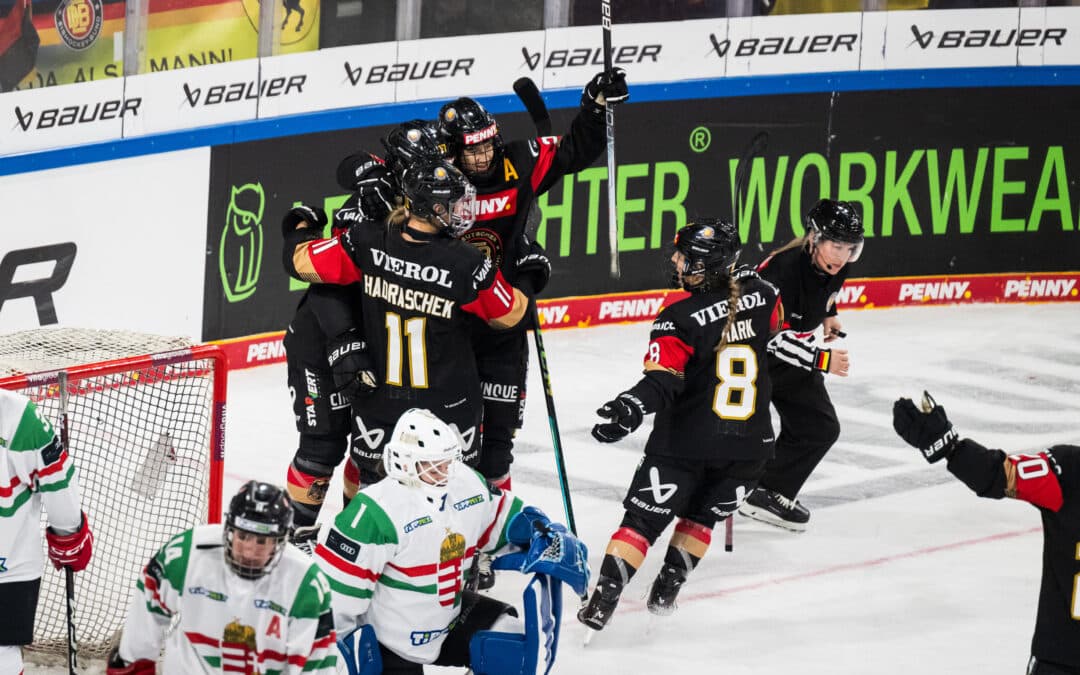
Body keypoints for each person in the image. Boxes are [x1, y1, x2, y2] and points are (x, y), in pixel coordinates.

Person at [283, 159, 535, 502]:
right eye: (454, 204)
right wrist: (527, 274)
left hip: (381, 403)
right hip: (449, 407)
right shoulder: (465, 262)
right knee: (455, 497)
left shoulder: (367, 241)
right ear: (433, 209)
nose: (462, 211)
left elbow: (302, 262)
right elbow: (509, 315)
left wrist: (298, 228)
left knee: (375, 502)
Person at [577, 218, 784, 632]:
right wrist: (744, 287)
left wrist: (630, 407)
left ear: (708, 266)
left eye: (685, 257)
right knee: (701, 519)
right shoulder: (763, 295)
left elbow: (663, 381)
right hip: (750, 448)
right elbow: (776, 327)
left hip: (686, 443)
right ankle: (666, 592)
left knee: (641, 523)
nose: (675, 261)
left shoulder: (678, 317)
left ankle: (601, 604)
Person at [436, 67, 628, 492]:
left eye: (487, 142)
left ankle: (494, 530)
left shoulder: (519, 160)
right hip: (448, 324)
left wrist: (595, 107)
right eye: (472, 150)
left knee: (499, 443)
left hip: (506, 316)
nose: (483, 155)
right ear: (451, 151)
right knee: (449, 441)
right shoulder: (433, 182)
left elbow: (575, 151)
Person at [313, 407, 585, 674]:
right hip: (390, 642)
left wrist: (543, 533)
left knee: (513, 647)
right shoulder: (374, 512)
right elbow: (335, 599)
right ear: (404, 462)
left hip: (448, 618)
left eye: (447, 462)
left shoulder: (465, 484)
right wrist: (341, 656)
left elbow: (503, 519)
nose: (444, 471)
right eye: (433, 465)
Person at [283, 120, 445, 551]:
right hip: (322, 342)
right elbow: (323, 283)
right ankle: (294, 539)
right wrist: (342, 344)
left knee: (371, 451)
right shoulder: (364, 210)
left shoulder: (430, 199)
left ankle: (349, 536)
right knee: (321, 445)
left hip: (379, 344)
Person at [892, 392, 1080, 675]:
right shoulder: (1070, 473)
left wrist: (950, 448)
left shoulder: (1071, 472)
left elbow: (998, 475)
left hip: (1059, 657)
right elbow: (1000, 475)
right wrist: (951, 449)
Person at [105, 481, 336, 674]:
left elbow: (316, 666)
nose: (248, 550)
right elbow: (148, 610)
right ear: (229, 530)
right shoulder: (187, 554)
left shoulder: (305, 583)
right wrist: (133, 663)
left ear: (280, 542)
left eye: (261, 542)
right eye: (243, 536)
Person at [737, 198, 861, 532]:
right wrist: (823, 359)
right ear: (815, 238)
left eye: (850, 247)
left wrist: (828, 315)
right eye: (836, 245)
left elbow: (826, 293)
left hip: (790, 356)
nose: (842, 255)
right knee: (738, 437)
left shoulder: (838, 265)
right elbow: (773, 339)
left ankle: (767, 492)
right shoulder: (783, 271)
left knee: (818, 427)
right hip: (753, 359)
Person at [0, 388, 93, 675]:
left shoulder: (19, 418)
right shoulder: (19, 417)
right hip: (10, 568)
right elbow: (58, 484)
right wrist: (69, 536)